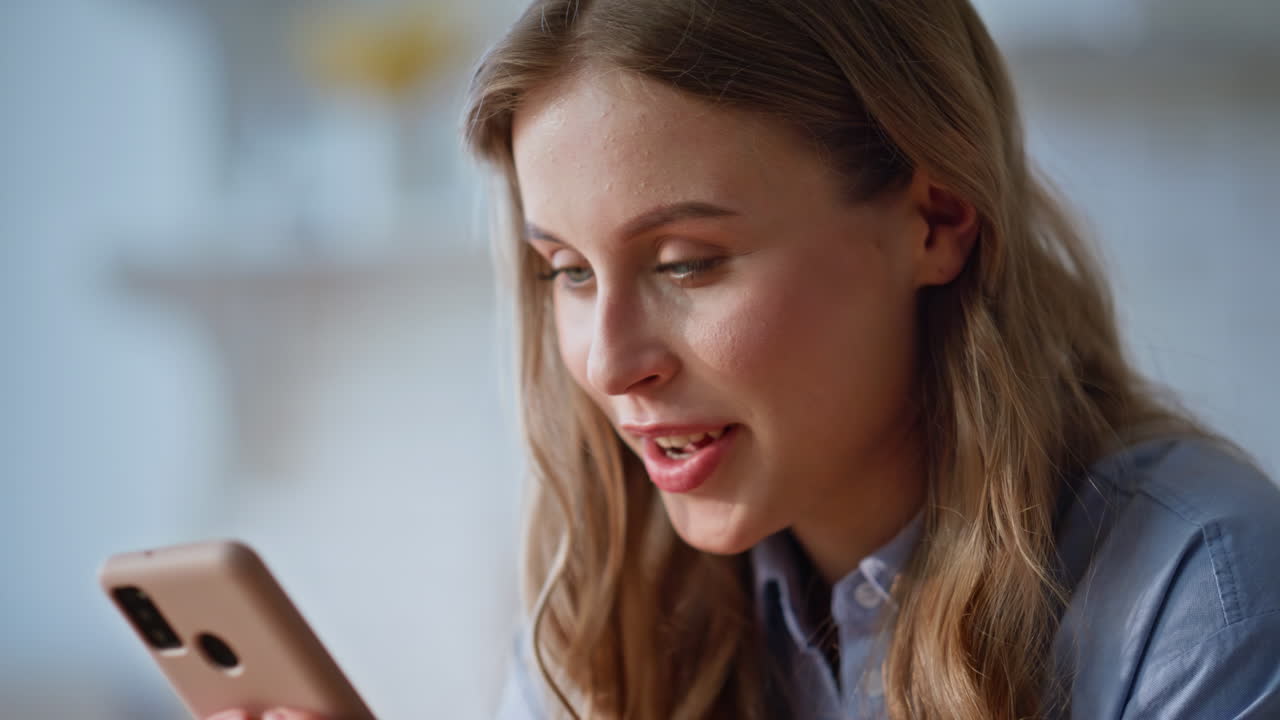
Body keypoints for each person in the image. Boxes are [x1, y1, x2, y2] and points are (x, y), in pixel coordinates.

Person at [213, 0, 1280, 718]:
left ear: (935, 220)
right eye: (566, 272)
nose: (607, 362)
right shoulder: (605, 611)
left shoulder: (1199, 589)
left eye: (685, 263)